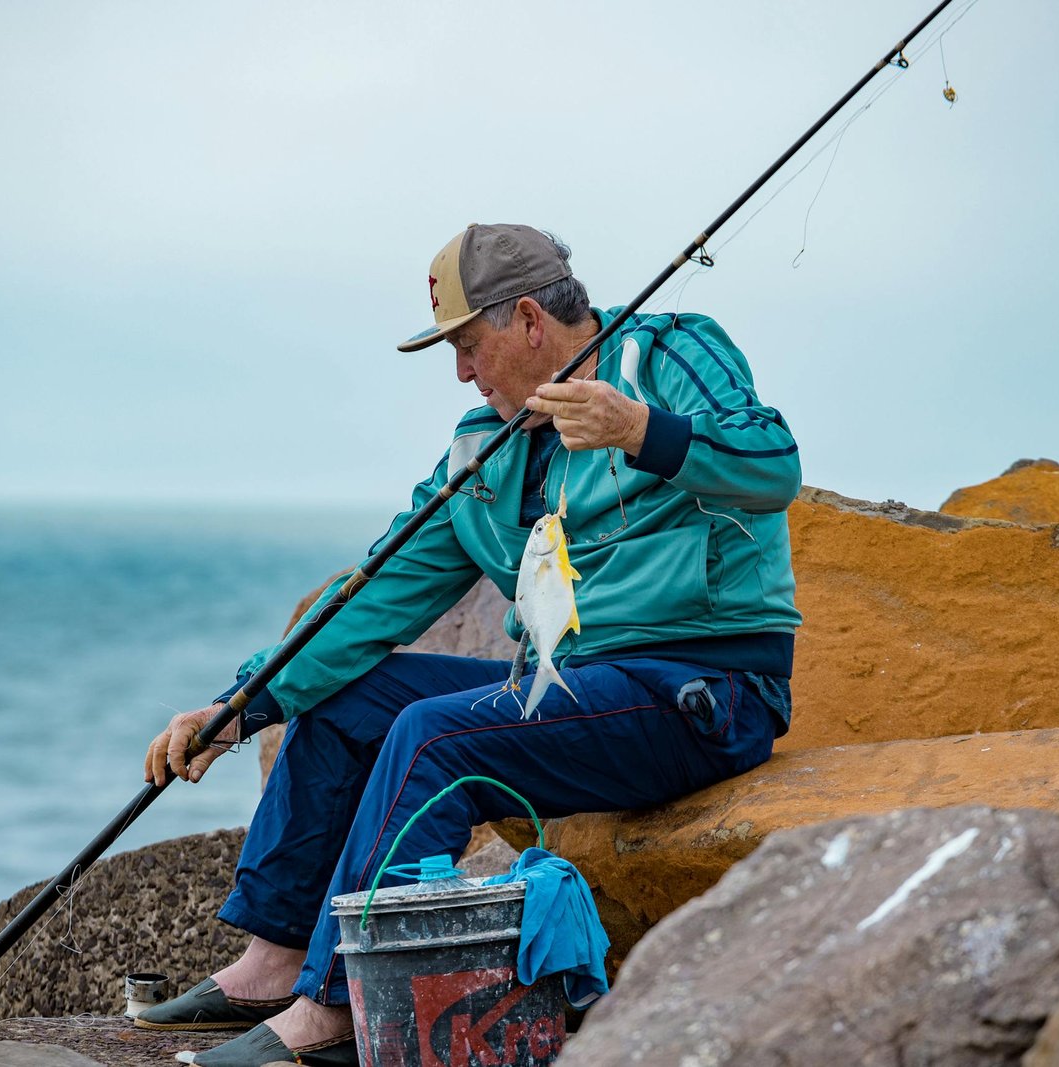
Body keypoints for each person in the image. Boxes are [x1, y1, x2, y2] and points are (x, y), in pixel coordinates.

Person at [138, 223, 802, 1066]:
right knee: (348, 698)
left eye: (466, 345)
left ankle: (344, 1002)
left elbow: (774, 463)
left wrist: (638, 427)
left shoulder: (669, 354)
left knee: (436, 736)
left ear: (528, 320)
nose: (460, 371)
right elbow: (376, 592)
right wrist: (242, 705)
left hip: (704, 687)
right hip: (573, 684)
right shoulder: (479, 447)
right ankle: (274, 959)